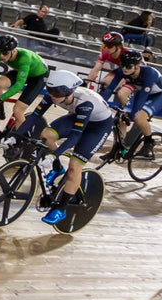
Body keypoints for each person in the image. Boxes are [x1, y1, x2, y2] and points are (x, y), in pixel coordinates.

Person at [19, 70, 114, 225]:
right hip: (77, 118)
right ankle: (57, 169)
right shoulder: (56, 94)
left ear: (69, 91)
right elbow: (35, 116)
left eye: (56, 93)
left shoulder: (85, 103)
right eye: (50, 91)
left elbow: (75, 137)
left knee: (74, 167)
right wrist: (14, 136)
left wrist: (54, 154)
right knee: (46, 134)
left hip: (98, 128)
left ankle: (61, 209)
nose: (53, 96)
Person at [101, 49, 162, 161]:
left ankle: (149, 142)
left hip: (159, 95)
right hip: (141, 93)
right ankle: (118, 149)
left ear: (138, 65)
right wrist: (101, 102)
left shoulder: (149, 73)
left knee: (138, 117)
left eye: (128, 66)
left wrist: (132, 114)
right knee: (121, 119)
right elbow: (110, 89)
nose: (124, 68)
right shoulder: (122, 71)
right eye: (123, 65)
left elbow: (143, 97)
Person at [0, 34, 48, 129]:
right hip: (22, 72)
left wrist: (1, 98)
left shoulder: (24, 58)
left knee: (17, 111)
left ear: (14, 51)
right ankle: (1, 113)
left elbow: (19, 85)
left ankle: (19, 138)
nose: (1, 56)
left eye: (5, 53)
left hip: (38, 77)